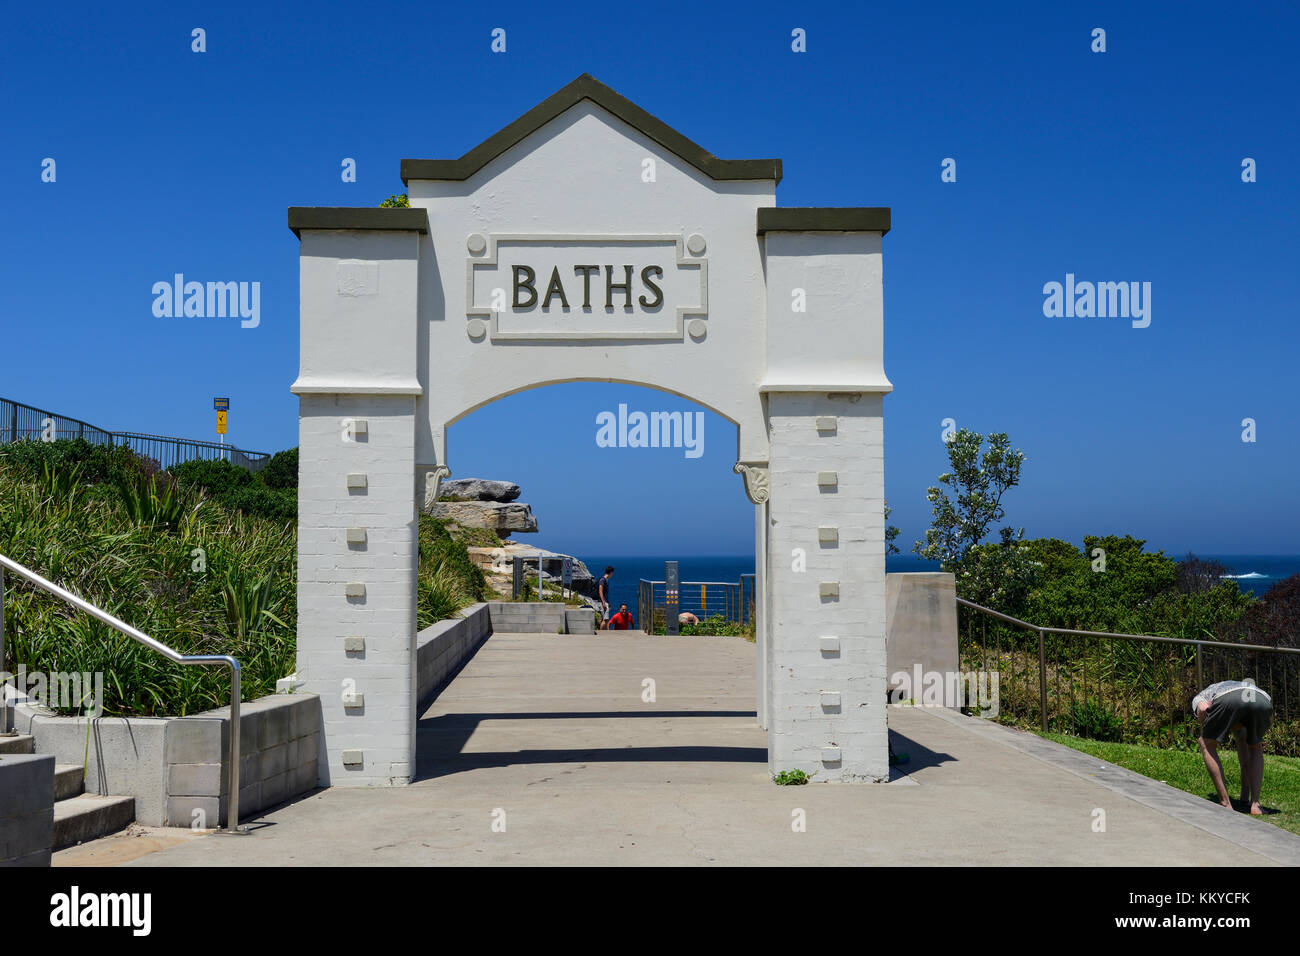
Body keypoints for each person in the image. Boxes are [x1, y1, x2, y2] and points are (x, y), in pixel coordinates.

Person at [1193, 679, 1273, 815]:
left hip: (1229, 698)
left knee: (1206, 744)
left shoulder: (1201, 696)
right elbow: (1241, 737)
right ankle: (1254, 804)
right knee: (1255, 748)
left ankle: (1225, 803)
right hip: (1262, 700)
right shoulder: (1242, 686)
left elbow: (1202, 709)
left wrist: (1207, 721)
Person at [597, 566, 614, 630]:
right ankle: (601, 633)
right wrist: (603, 602)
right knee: (605, 620)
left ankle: (607, 632)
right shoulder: (602, 580)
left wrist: (608, 603)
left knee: (606, 619)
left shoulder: (606, 580)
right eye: (612, 573)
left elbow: (605, 594)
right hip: (603, 602)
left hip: (606, 601)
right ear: (611, 572)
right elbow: (600, 591)